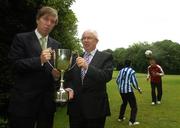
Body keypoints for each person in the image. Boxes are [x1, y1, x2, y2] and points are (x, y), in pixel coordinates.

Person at [8, 6, 60, 128]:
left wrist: (56, 76)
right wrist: (39, 60)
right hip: (24, 103)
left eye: (52, 22)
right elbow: (15, 65)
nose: (49, 24)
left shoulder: (56, 44)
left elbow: (54, 70)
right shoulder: (21, 38)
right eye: (46, 19)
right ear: (37, 19)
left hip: (47, 105)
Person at [64, 29, 113, 128]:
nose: (85, 40)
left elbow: (106, 76)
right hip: (75, 109)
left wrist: (87, 67)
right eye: (83, 38)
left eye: (89, 38)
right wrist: (69, 88)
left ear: (96, 41)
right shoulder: (74, 58)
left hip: (95, 109)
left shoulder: (106, 57)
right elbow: (68, 78)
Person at [116, 59, 142, 126]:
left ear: (125, 64)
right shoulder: (132, 71)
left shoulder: (121, 71)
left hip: (121, 91)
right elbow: (134, 82)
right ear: (130, 64)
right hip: (128, 91)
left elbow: (117, 80)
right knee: (134, 106)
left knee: (124, 103)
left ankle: (120, 118)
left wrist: (121, 87)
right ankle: (132, 121)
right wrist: (138, 88)